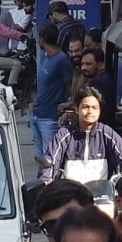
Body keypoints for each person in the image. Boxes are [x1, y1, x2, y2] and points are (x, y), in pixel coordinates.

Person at [40, 88, 122, 186]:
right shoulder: (64, 134)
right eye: (85, 107)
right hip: (70, 196)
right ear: (77, 110)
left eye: (94, 107)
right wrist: (46, 180)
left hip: (103, 195)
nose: (90, 111)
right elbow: (50, 161)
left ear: (99, 111)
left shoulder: (107, 133)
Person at [31, 26, 73, 162]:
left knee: (51, 157)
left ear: (41, 40)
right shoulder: (47, 58)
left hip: (49, 117)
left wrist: (69, 104)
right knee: (41, 158)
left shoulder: (61, 59)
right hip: (37, 113)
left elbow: (70, 86)